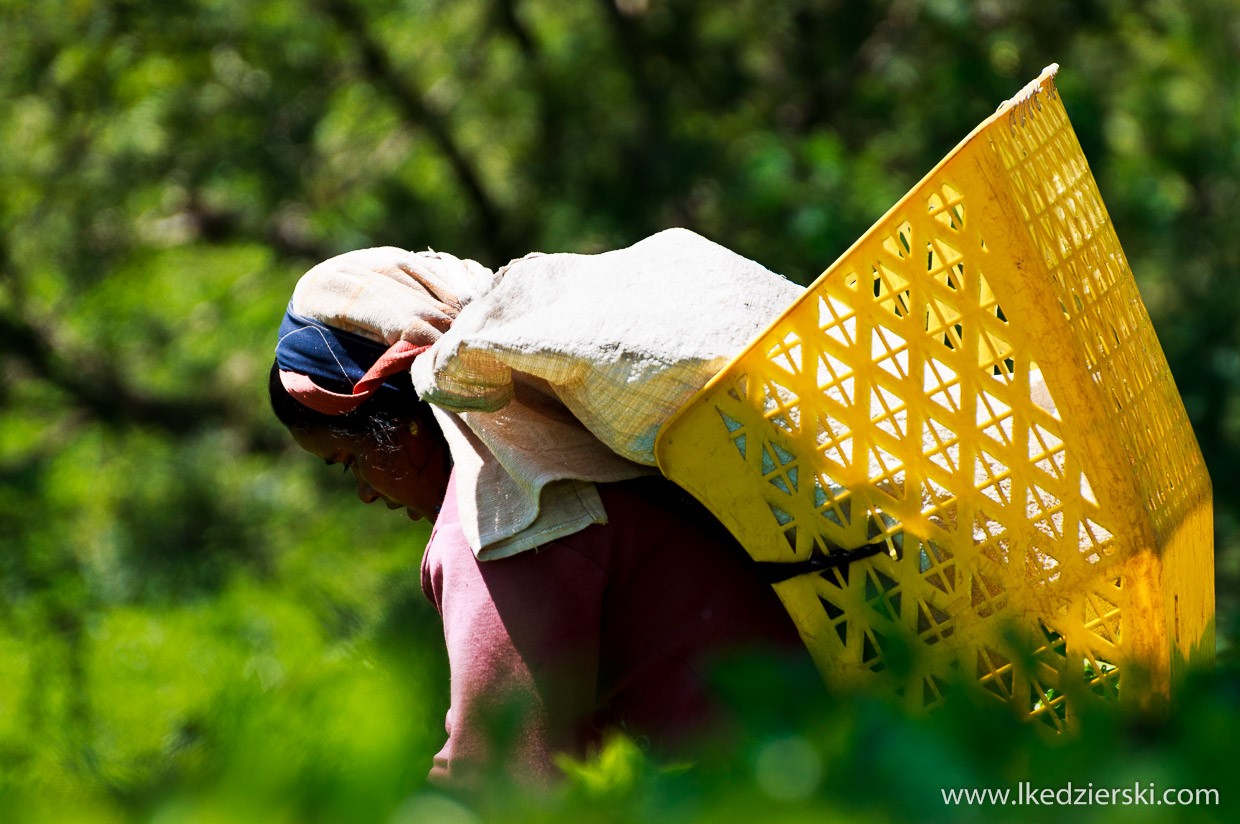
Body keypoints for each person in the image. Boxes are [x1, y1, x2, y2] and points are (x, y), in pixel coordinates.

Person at [269, 230, 813, 790]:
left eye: (350, 460)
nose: (364, 490)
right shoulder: (587, 444)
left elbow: (501, 782)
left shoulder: (505, 516)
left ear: (400, 423)